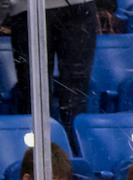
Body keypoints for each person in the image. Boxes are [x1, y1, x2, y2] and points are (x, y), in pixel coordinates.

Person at [7, 0, 97, 139]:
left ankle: (72, 153)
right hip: (29, 8)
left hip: (73, 7)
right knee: (34, 92)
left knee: (70, 95)